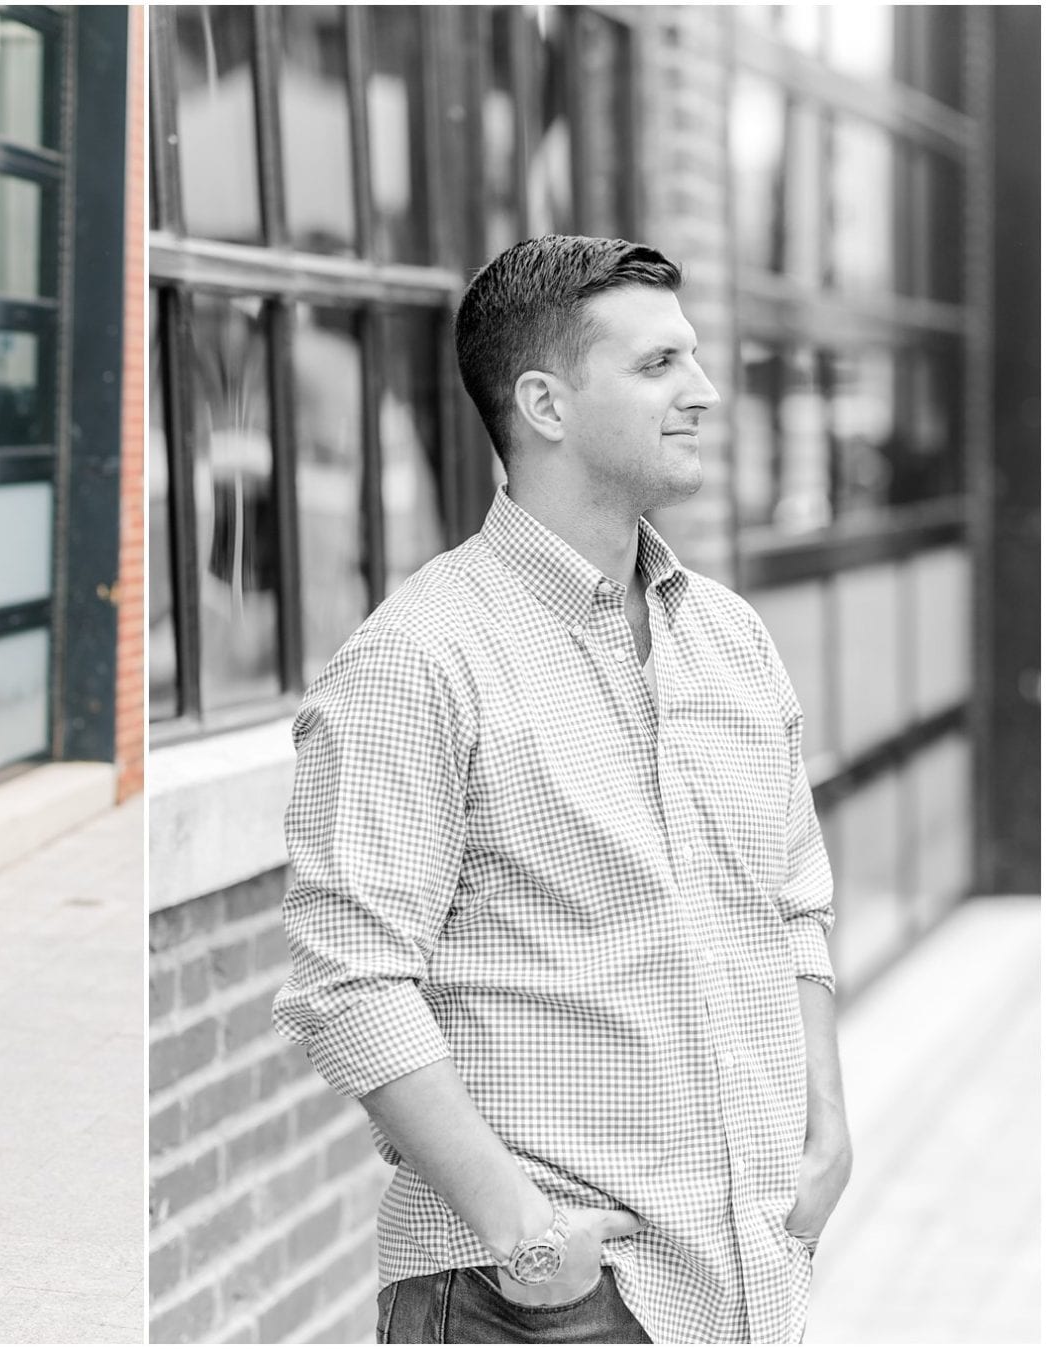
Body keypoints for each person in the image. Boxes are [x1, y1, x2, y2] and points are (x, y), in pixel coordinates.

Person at [273, 236, 851, 1344]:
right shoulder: (419, 660)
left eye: (694, 358)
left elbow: (795, 899)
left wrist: (825, 1127)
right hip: (539, 1301)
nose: (706, 392)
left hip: (742, 1273)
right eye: (659, 367)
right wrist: (524, 1232)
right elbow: (347, 981)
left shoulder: (728, 638)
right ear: (543, 401)